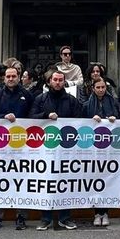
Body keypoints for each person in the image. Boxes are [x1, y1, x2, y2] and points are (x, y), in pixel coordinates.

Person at [31, 70, 83, 230]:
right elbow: (31, 117)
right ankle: (45, 218)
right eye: (55, 80)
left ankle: (65, 217)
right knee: (46, 182)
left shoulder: (72, 100)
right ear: (49, 82)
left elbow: (79, 119)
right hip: (45, 148)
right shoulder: (40, 99)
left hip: (66, 148)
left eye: (61, 80)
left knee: (64, 182)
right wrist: (46, 116)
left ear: (64, 82)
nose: (58, 82)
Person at [0, 66, 33, 230]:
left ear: (19, 77)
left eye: (14, 76)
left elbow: (34, 116)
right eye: (8, 76)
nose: (11, 79)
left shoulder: (27, 95)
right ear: (4, 78)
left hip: (22, 145)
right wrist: (2, 117)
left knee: (22, 180)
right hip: (1, 146)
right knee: (0, 180)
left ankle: (21, 216)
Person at [84, 78, 120, 227]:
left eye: (103, 87)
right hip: (93, 149)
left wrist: (114, 119)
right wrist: (90, 120)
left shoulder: (113, 102)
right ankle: (96, 213)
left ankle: (105, 212)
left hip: (109, 148)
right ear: (93, 88)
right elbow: (82, 122)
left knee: (106, 179)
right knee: (95, 179)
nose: (100, 89)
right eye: (98, 87)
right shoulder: (87, 104)